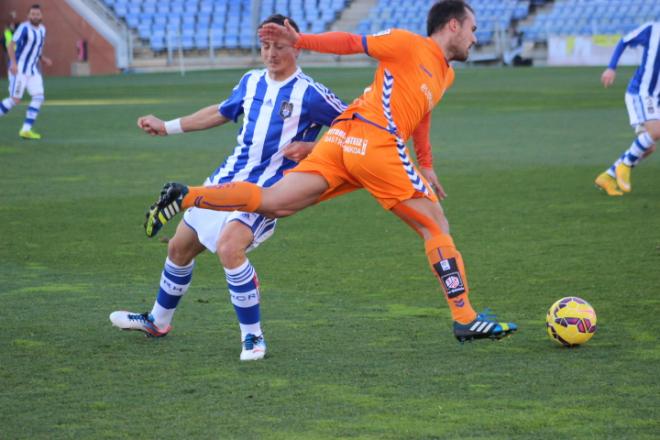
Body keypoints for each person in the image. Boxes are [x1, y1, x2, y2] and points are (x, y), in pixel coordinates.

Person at [145, 0, 517, 344]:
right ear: (452, 25)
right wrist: (301, 39)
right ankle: (465, 317)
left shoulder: (444, 75)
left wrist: (427, 163)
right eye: (472, 28)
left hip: (343, 141)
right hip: (375, 141)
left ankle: (187, 195)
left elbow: (423, 111)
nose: (475, 36)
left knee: (274, 203)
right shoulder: (407, 43)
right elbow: (351, 42)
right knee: (434, 227)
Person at [109, 14, 346, 361]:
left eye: (279, 46)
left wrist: (313, 149)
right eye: (265, 46)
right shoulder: (251, 82)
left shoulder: (310, 93)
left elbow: (356, 128)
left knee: (228, 248)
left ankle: (253, 337)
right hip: (224, 181)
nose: (270, 54)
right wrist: (168, 126)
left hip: (268, 192)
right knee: (179, 248)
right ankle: (157, 321)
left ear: (296, 47)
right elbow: (220, 112)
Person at [595, 21, 659, 196]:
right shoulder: (652, 29)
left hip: (655, 98)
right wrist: (611, 68)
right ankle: (625, 166)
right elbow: (624, 41)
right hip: (641, 92)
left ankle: (607, 177)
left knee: (648, 147)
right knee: (656, 132)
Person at [0, 4, 52, 140]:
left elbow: (36, 48)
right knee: (15, 100)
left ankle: (26, 130)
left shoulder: (42, 30)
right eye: (33, 14)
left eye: (37, 14)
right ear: (28, 16)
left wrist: (43, 58)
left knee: (39, 97)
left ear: (41, 16)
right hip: (20, 68)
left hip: (33, 69)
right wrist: (14, 63)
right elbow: (10, 44)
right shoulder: (24, 28)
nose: (35, 16)